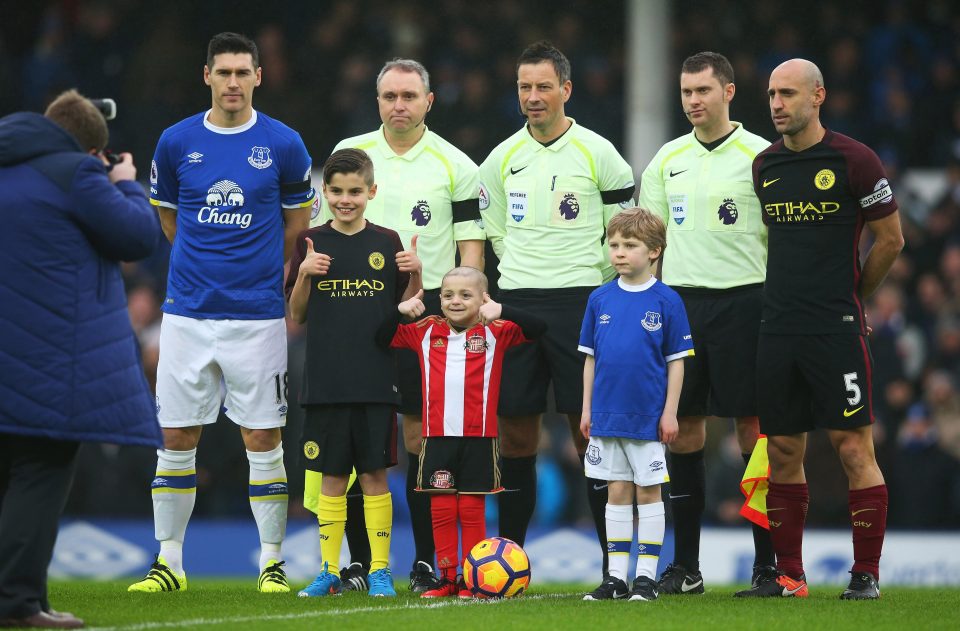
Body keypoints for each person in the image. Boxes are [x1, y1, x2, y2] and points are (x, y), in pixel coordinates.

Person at [128, 32, 316, 594]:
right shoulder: (175, 141)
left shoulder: (283, 144)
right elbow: (167, 218)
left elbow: (298, 224)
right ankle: (169, 563)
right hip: (186, 312)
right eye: (223, 72)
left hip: (257, 316)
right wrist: (203, 262)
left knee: (263, 438)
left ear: (259, 76)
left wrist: (259, 271)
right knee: (177, 435)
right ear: (205, 75)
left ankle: (272, 564)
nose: (233, 82)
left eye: (243, 72)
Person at [311, 58, 484, 593]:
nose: (399, 106)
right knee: (359, 440)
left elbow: (470, 243)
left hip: (429, 312)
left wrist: (468, 308)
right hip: (358, 311)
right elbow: (327, 234)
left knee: (415, 436)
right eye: (389, 96)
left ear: (429, 101)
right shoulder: (354, 154)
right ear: (377, 100)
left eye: (409, 96)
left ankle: (423, 560)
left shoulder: (455, 164)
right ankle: (360, 563)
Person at [736, 59, 904, 600]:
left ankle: (866, 575)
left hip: (835, 329)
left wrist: (855, 299)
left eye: (787, 94)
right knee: (782, 447)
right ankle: (789, 577)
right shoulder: (765, 166)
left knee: (854, 449)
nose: (777, 104)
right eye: (770, 95)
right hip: (777, 328)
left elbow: (891, 239)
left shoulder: (856, 160)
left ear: (818, 96)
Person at [0, 90, 162, 628]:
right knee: (40, 471)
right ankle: (19, 605)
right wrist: (124, 185)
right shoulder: (74, 172)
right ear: (93, 148)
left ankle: (29, 599)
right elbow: (138, 236)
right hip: (45, 361)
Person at [478, 41, 635, 574]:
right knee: (515, 431)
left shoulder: (599, 152)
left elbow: (624, 230)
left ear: (566, 89)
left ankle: (612, 563)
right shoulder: (500, 159)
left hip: (582, 303)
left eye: (544, 86)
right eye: (525, 86)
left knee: (584, 429)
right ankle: (508, 556)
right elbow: (494, 232)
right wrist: (524, 276)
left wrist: (591, 282)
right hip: (517, 302)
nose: (533, 96)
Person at [636, 51, 775, 594]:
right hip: (682, 306)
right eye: (686, 92)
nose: (694, 101)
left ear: (729, 92)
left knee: (752, 428)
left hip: (747, 301)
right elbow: (649, 246)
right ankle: (686, 566)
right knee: (683, 427)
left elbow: (779, 240)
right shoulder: (667, 160)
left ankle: (767, 565)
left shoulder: (762, 156)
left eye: (703, 91)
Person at [287, 148, 422, 598]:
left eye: (355, 192)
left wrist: (418, 276)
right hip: (325, 381)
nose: (346, 200)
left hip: (375, 381)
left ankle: (380, 570)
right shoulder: (310, 241)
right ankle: (329, 568)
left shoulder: (387, 241)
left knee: (373, 477)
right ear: (324, 192)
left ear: (371, 191)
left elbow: (410, 310)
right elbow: (297, 314)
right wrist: (305, 275)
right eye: (338, 191)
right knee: (330, 477)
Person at [379, 267, 546, 598]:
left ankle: (472, 579)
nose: (456, 301)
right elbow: (380, 337)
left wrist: (503, 309)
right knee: (441, 509)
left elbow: (540, 328)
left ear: (483, 299)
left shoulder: (496, 330)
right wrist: (397, 312)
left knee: (471, 509)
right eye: (448, 295)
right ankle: (445, 579)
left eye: (466, 295)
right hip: (436, 438)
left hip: (480, 439)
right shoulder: (425, 329)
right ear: (438, 299)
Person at [578, 208, 694, 602]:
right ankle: (616, 578)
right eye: (614, 245)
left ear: (655, 251)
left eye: (630, 245)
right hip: (607, 416)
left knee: (649, 492)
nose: (620, 253)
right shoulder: (599, 298)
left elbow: (675, 362)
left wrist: (670, 411)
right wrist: (586, 409)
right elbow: (590, 358)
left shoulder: (667, 300)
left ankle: (645, 578)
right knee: (616, 491)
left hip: (647, 417)